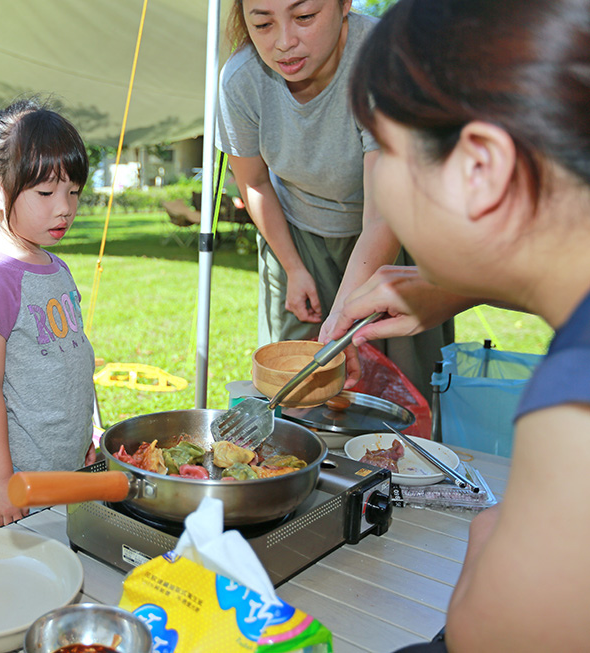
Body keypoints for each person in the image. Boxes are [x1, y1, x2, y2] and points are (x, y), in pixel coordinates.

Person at [321, 0, 590, 650]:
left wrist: (487, 542)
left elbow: (484, 635)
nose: (377, 180)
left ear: (479, 167)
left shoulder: (572, 406)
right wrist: (457, 287)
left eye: (384, 147)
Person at [216, 0, 452, 399]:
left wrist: (341, 318)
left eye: (305, 17)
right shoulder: (240, 81)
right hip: (295, 235)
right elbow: (254, 183)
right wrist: (293, 268)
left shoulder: (388, 58)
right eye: (262, 24)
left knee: (408, 392)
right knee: (295, 388)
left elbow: (383, 218)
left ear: (345, 4)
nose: (284, 43)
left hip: (400, 231)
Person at [0, 98, 97, 529]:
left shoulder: (58, 269)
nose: (65, 207)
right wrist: (1, 481)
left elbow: (72, 364)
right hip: (18, 487)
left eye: (73, 191)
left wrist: (85, 441)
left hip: (66, 473)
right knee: (10, 589)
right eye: (45, 193)